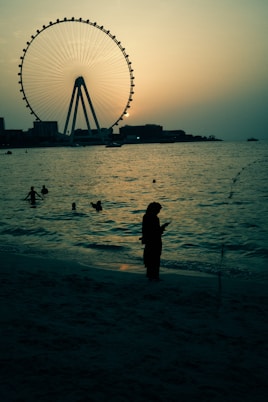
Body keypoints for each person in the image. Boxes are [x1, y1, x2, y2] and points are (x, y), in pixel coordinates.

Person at [141, 202, 170, 281]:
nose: (159, 211)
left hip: (148, 241)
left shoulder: (145, 216)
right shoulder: (155, 218)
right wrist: (163, 227)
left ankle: (150, 275)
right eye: (158, 209)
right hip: (155, 241)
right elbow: (156, 231)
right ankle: (154, 276)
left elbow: (145, 230)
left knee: (149, 258)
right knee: (155, 258)